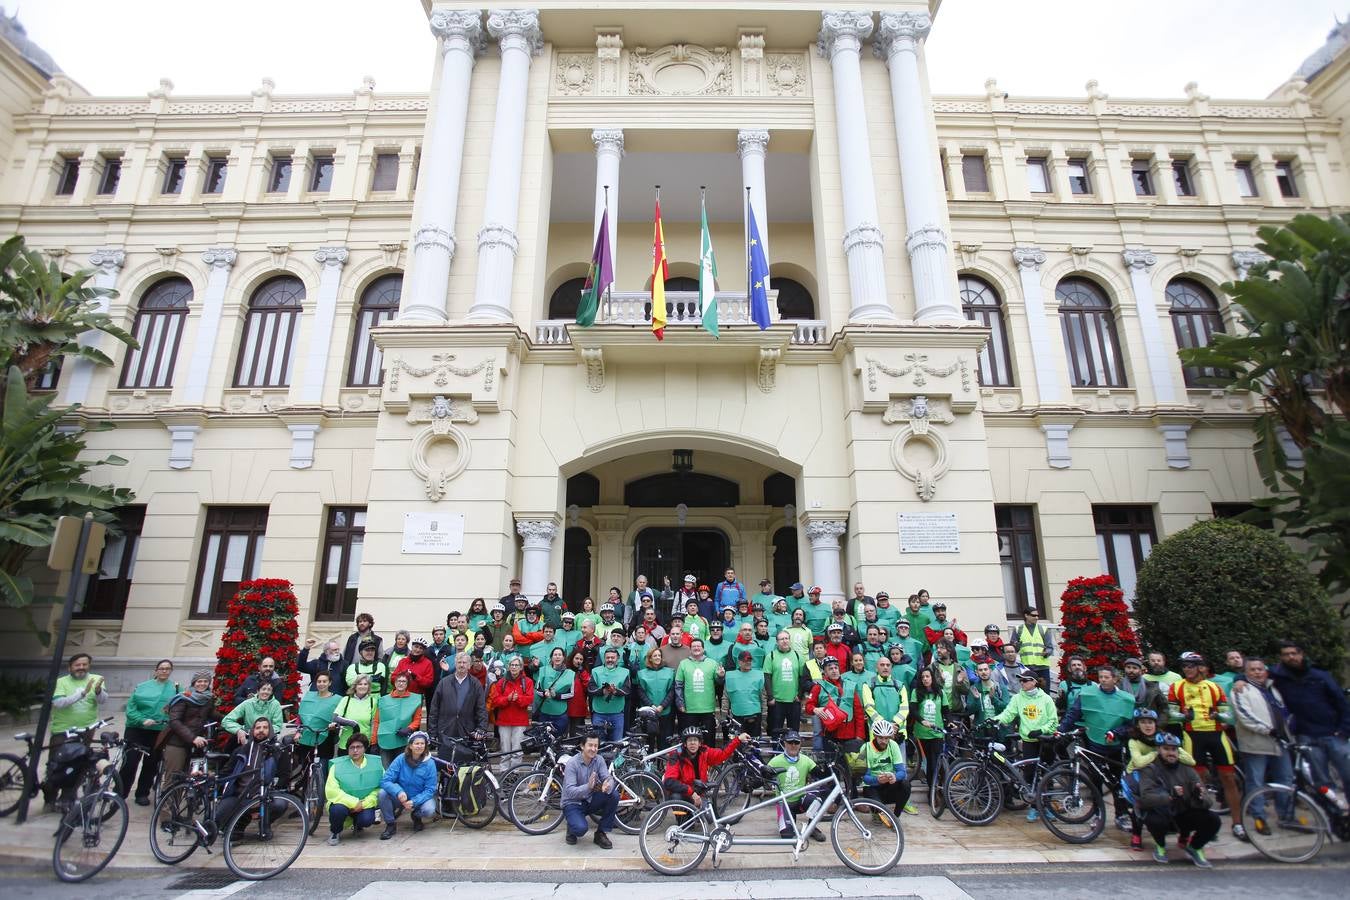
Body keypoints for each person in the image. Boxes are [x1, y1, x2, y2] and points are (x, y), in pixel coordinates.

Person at [1168, 651, 1243, 839]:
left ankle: (1238, 823)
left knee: (1228, 777)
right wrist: (1184, 716)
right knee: (1197, 780)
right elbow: (1170, 713)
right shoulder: (1176, 687)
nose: (1187, 669)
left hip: (1216, 734)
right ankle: (1203, 822)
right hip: (1193, 735)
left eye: (1191, 666)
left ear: (1200, 667)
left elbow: (1229, 715)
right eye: (1184, 666)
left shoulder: (1214, 687)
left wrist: (1218, 715)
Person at [1058, 664, 1137, 831]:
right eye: (1100, 677)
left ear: (1115, 679)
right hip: (1094, 744)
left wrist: (1117, 733)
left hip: (1115, 746)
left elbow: (1131, 725)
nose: (1103, 680)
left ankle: (1120, 815)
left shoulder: (1126, 699)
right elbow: (1073, 714)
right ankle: (1097, 814)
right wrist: (1060, 730)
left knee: (1117, 782)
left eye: (1106, 677)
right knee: (1096, 782)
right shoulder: (1088, 694)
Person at [1270, 639, 1350, 793]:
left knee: (1347, 775)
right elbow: (1255, 672)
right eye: (1286, 654)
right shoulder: (1278, 676)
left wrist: (1344, 730)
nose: (1291, 657)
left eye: (1294, 653)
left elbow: (1341, 702)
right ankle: (1331, 814)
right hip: (1307, 736)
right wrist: (1240, 679)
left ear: (1301, 654)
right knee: (1321, 782)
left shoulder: (1320, 675)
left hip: (1334, 734)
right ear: (1281, 657)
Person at [1231, 657, 1294, 836]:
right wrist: (1269, 730)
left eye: (1260, 669)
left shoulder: (1273, 688)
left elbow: (1284, 711)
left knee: (1285, 779)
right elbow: (1244, 715)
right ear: (1246, 672)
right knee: (1256, 782)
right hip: (1256, 744)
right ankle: (1259, 817)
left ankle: (1286, 816)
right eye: (1252, 669)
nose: (1257, 672)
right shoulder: (1241, 689)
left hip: (1280, 742)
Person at [1138, 733, 1221, 867]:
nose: (1171, 753)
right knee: (1155, 820)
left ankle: (1195, 847)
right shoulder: (1150, 769)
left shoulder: (1188, 770)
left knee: (1213, 820)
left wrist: (1198, 797)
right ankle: (1160, 846)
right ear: (1158, 750)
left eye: (1174, 749)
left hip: (1182, 814)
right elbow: (1146, 798)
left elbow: (1207, 801)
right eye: (1166, 749)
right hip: (1162, 813)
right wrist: (1170, 796)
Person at [993, 670, 1058, 820]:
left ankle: (1047, 807)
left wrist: (1042, 730)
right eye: (1020, 681)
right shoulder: (1017, 698)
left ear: (1034, 682)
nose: (1022, 683)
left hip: (1045, 741)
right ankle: (1035, 807)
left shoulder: (1046, 699)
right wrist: (995, 720)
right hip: (1029, 742)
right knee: (1030, 776)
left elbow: (1053, 721)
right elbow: (1008, 714)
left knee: (1046, 775)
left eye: (1025, 680)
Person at [213, 716, 288, 830]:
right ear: (253, 731)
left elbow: (284, 776)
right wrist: (213, 780)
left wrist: (271, 792)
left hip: (266, 796)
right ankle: (240, 823)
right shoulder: (241, 750)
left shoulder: (279, 751)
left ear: (271, 730)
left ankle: (265, 824)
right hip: (239, 796)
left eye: (265, 727)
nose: (261, 730)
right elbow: (227, 772)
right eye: (258, 728)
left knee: (280, 804)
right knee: (218, 818)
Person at [120, 659, 177, 806]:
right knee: (130, 762)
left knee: (151, 764)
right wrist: (141, 720)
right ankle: (120, 792)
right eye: (162, 668)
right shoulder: (142, 687)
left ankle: (142, 793)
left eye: (168, 669)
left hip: (158, 731)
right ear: (156, 670)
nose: (164, 671)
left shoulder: (176, 688)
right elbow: (131, 708)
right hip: (137, 730)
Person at [662, 725, 742, 809]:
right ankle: (684, 818)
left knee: (709, 819)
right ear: (685, 744)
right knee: (676, 798)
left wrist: (738, 739)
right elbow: (669, 782)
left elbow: (723, 753)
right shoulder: (676, 756)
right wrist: (691, 793)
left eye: (695, 740)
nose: (692, 743)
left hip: (700, 794)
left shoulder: (705, 752)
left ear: (700, 743)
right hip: (683, 794)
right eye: (689, 740)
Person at [765, 731, 826, 841]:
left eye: (796, 742)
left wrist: (829, 766)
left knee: (817, 799)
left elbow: (821, 774)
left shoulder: (806, 760)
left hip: (800, 801)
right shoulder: (775, 761)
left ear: (800, 744)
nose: (793, 745)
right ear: (785, 744)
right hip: (784, 803)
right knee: (787, 836)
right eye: (790, 742)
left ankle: (812, 827)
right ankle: (787, 823)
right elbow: (762, 778)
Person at [429, 652, 489, 763]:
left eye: (464, 662)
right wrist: (432, 733)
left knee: (465, 768)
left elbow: (481, 708)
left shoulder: (475, 684)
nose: (462, 665)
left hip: (467, 732)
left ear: (469, 665)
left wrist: (481, 728)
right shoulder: (444, 683)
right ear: (455, 664)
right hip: (446, 731)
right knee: (445, 766)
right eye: (459, 662)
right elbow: (434, 709)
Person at [325, 733, 383, 846]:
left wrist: (365, 803)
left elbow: (380, 786)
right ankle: (335, 831)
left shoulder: (376, 763)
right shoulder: (337, 765)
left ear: (365, 748)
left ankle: (358, 824)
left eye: (359, 747)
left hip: (364, 803)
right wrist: (354, 803)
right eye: (352, 747)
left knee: (367, 819)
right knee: (337, 810)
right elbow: (332, 790)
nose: (355, 750)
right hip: (342, 803)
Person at [158, 672, 216, 787]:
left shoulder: (207, 699)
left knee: (187, 779)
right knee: (173, 779)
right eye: (199, 681)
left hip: (193, 745)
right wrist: (193, 738)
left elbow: (214, 715)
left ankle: (179, 803)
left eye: (205, 681)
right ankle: (166, 805)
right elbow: (175, 721)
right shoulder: (183, 697)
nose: (202, 684)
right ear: (194, 683)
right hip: (176, 743)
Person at [562, 733, 620, 848]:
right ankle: (572, 827)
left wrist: (607, 784)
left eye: (596, 746)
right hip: (573, 803)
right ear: (582, 746)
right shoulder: (572, 763)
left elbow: (608, 777)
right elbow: (569, 791)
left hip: (590, 799)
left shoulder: (599, 759)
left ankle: (601, 833)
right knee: (580, 829)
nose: (593, 749)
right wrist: (588, 786)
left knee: (613, 795)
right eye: (590, 745)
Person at [377, 731, 438, 839]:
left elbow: (430, 789)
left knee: (429, 809)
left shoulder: (430, 763)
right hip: (401, 796)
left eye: (422, 743)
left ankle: (416, 816)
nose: (419, 746)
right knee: (382, 794)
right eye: (416, 743)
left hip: (419, 797)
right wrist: (398, 791)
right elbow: (385, 780)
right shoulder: (401, 759)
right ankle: (390, 824)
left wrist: (414, 801)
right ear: (410, 745)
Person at [806, 656, 866, 749]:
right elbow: (808, 706)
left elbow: (859, 713)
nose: (834, 670)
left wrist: (859, 736)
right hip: (829, 734)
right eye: (830, 668)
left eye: (836, 668)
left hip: (849, 735)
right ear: (824, 672)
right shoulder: (818, 687)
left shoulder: (850, 685)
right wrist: (815, 709)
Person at [488, 656, 534, 768]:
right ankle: (504, 773)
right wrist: (507, 699)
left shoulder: (527, 682)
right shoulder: (501, 682)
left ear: (521, 667)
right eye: (512, 665)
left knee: (517, 751)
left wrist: (518, 698)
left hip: (519, 722)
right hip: (504, 721)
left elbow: (530, 699)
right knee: (505, 751)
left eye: (516, 665)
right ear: (508, 667)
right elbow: (495, 700)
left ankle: (514, 774)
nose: (514, 667)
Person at [859, 718, 911, 817]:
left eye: (887, 738)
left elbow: (902, 772)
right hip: (873, 787)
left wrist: (894, 777)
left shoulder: (893, 745)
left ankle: (896, 817)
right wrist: (877, 780)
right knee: (871, 795)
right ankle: (876, 811)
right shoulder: (865, 748)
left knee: (905, 784)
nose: (884, 741)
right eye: (881, 738)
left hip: (889, 785)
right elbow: (864, 776)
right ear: (874, 736)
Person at [373, 670, 424, 767]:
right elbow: (377, 721)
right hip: (385, 741)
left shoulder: (415, 699)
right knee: (386, 769)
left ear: (407, 683)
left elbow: (417, 719)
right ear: (394, 683)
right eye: (398, 681)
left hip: (403, 741)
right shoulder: (383, 700)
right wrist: (374, 742)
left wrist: (409, 728)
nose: (401, 683)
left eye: (404, 681)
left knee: (401, 769)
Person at [675, 638, 724, 737]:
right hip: (689, 709)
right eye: (694, 646)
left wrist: (721, 676)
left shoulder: (712, 663)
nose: (696, 648)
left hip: (708, 709)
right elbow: (678, 685)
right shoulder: (683, 663)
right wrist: (680, 703)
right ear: (690, 649)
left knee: (709, 739)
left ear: (703, 649)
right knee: (691, 739)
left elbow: (719, 683)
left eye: (698, 646)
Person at [763, 631, 807, 736]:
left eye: (786, 638)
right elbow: (767, 677)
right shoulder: (771, 656)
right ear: (777, 642)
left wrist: (800, 695)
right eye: (781, 639)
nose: (784, 641)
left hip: (794, 700)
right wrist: (770, 697)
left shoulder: (797, 656)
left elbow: (803, 677)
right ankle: (775, 752)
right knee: (775, 732)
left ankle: (793, 752)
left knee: (794, 732)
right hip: (777, 701)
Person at [296, 671, 342, 764]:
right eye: (319, 681)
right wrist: (298, 731)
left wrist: (335, 726)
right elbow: (300, 717)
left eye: (324, 681)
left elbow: (340, 719)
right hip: (306, 736)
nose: (321, 684)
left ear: (330, 683)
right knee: (304, 767)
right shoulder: (309, 696)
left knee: (322, 768)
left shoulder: (338, 699)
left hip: (325, 737)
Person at [536, 647, 576, 735]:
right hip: (545, 711)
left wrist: (556, 696)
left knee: (558, 740)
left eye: (559, 655)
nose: (557, 657)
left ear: (563, 658)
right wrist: (544, 693)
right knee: (544, 739)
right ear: (551, 657)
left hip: (560, 714)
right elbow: (538, 690)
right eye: (555, 655)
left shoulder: (570, 673)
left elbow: (571, 694)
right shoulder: (543, 670)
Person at [725, 650, 766, 736]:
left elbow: (763, 697)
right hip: (737, 715)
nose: (748, 662)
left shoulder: (759, 675)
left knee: (754, 742)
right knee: (738, 743)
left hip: (754, 714)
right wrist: (724, 714)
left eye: (750, 660)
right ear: (739, 662)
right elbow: (725, 697)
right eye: (745, 661)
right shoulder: (730, 676)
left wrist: (764, 715)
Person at [1013, 609, 1053, 689]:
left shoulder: (1043, 629)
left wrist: (1046, 652)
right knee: (1028, 691)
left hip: (1042, 667)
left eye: (1037, 615)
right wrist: (1016, 646)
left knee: (1044, 693)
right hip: (1027, 667)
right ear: (1026, 615)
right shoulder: (1018, 629)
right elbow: (1013, 649)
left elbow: (1050, 647)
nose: (1036, 617)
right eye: (1033, 615)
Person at [1122, 656, 1170, 721]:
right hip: (1124, 724)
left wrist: (1159, 725)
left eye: (1134, 668)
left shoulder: (1152, 686)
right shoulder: (1118, 686)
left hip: (1147, 725)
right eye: (1128, 667)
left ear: (1140, 670)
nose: (1131, 670)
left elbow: (1164, 708)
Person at [335, 674, 377, 748]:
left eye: (365, 684)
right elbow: (335, 717)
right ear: (355, 686)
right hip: (346, 744)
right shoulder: (346, 699)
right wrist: (353, 724)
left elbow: (374, 723)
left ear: (369, 686)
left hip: (364, 744)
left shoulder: (373, 701)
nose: (363, 686)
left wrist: (373, 743)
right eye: (360, 684)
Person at [566, 648, 591, 735]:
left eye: (581, 659)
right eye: (576, 658)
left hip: (578, 708)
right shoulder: (565, 671)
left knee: (576, 736)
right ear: (572, 658)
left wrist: (583, 672)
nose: (578, 661)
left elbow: (588, 686)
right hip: (565, 707)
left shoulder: (584, 672)